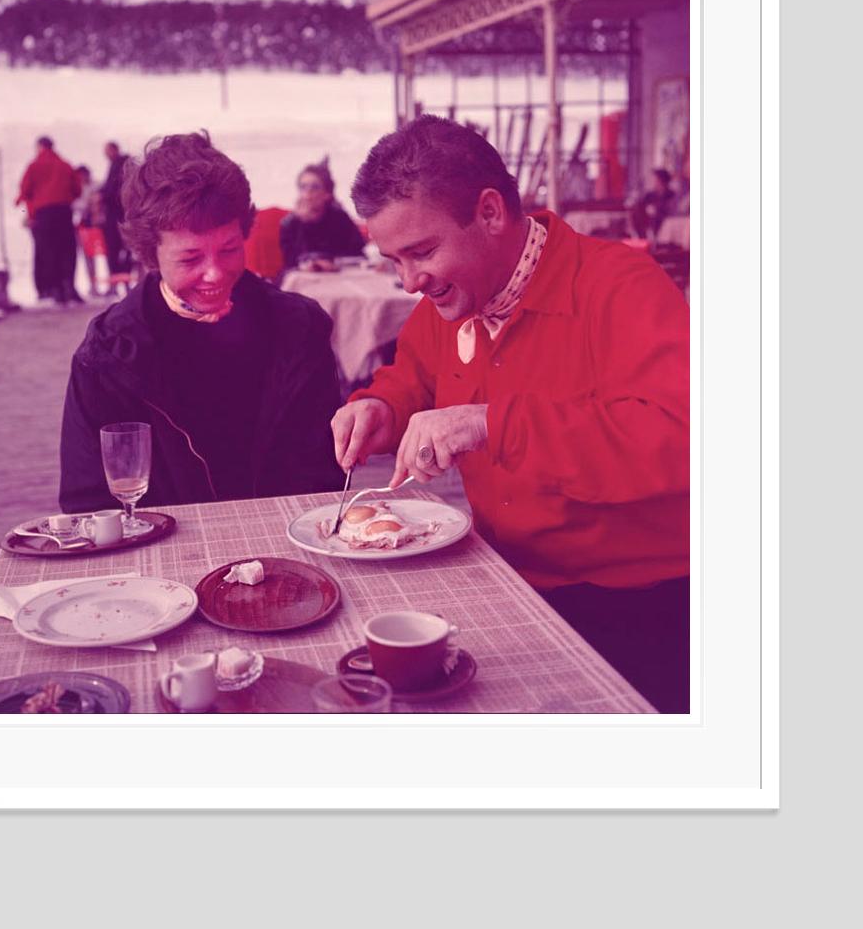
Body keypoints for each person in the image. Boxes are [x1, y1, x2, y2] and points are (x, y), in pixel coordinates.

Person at [331, 116, 690, 712]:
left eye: (421, 252)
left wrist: (490, 422)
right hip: (503, 583)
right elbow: (410, 380)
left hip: (640, 607)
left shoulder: (621, 286)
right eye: (394, 260)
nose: (409, 282)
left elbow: (680, 439)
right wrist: (377, 407)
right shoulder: (452, 301)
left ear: (491, 214)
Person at [59, 130, 345, 513]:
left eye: (229, 250)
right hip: (160, 558)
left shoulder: (300, 328)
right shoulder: (109, 355)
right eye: (190, 259)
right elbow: (88, 501)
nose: (214, 274)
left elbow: (324, 479)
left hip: (285, 548)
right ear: (150, 253)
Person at [15, 136, 84, 305]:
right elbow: (78, 189)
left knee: (47, 251)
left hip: (43, 214)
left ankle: (53, 291)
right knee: (67, 250)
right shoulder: (65, 165)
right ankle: (68, 287)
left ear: (39, 147)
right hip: (63, 211)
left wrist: (31, 212)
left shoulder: (33, 166)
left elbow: (25, 191)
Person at [278, 158, 367, 273]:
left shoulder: (340, 218)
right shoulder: (289, 224)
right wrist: (304, 224)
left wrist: (332, 262)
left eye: (314, 187)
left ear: (327, 194)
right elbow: (291, 262)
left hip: (338, 277)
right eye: (303, 187)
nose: (308, 193)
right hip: (302, 280)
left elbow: (358, 254)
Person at [100, 140, 133, 289]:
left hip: (117, 215)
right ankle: (122, 284)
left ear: (114, 149)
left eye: (107, 151)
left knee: (116, 250)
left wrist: (103, 196)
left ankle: (118, 285)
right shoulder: (122, 164)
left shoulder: (120, 164)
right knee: (122, 251)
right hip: (123, 215)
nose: (105, 155)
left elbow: (112, 190)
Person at [73, 164, 105, 298]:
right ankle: (93, 285)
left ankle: (105, 285)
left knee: (99, 255)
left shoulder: (96, 186)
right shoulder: (76, 189)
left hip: (94, 225)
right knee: (88, 257)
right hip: (82, 227)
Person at [631, 167, 675, 242]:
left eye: (654, 179)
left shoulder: (671, 195)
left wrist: (655, 210)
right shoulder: (649, 195)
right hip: (648, 222)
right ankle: (642, 239)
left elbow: (670, 210)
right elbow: (641, 207)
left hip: (663, 222)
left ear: (660, 180)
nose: (652, 181)